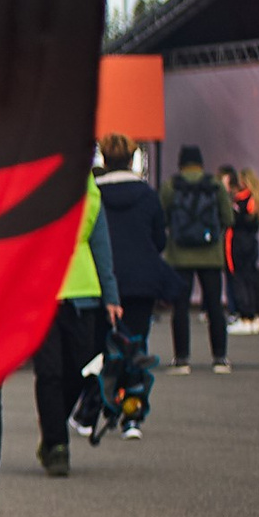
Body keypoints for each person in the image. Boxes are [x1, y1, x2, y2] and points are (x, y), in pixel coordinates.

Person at [26, 166, 121, 483]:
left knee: (79, 370)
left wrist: (111, 295)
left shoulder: (87, 184)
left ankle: (53, 430)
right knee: (50, 372)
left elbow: (101, 240)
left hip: (82, 291)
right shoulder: (28, 175)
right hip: (41, 293)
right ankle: (56, 446)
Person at [96, 136, 181, 368]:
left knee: (102, 345)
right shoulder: (148, 195)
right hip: (141, 279)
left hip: (103, 278)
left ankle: (104, 396)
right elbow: (159, 240)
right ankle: (133, 395)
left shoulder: (94, 195)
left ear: (104, 159)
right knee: (137, 342)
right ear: (132, 159)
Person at [162, 144, 233, 374]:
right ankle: (219, 358)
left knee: (180, 308)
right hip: (210, 254)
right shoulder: (214, 185)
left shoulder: (171, 185)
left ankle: (182, 359)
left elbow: (162, 216)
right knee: (214, 307)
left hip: (179, 255)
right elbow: (228, 217)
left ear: (181, 162)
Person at [222, 166, 259, 334]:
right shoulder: (257, 198)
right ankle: (252, 315)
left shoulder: (242, 200)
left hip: (238, 243)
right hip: (251, 243)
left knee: (239, 278)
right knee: (249, 279)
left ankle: (245, 316)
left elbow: (234, 219)